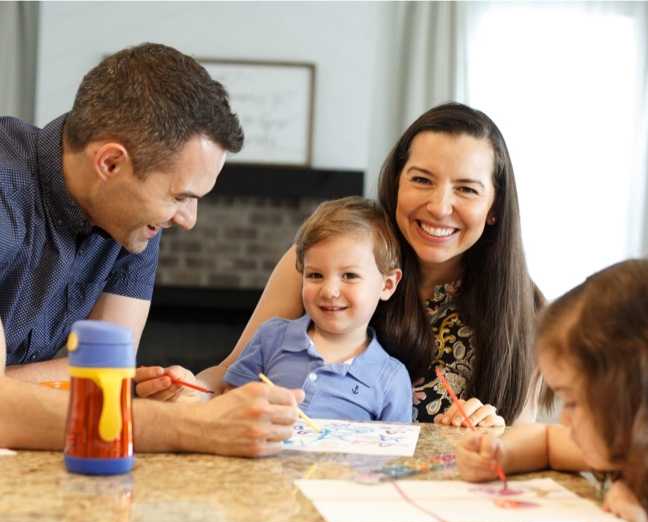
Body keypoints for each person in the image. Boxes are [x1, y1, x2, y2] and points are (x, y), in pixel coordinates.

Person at [138, 102, 540, 427]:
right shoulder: (322, 259)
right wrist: (191, 387)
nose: (439, 206)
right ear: (396, 182)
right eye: (421, 180)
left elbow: (523, 440)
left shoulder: (527, 309)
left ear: (494, 208)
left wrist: (494, 428)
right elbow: (230, 375)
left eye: (467, 189)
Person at [0, 42, 302, 456]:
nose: (188, 219)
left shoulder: (131, 218)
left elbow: (106, 369)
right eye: (180, 196)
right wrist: (188, 426)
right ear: (109, 163)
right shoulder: (5, 187)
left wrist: (15, 391)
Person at [454, 257, 648, 522]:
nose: (564, 419)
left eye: (573, 402)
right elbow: (547, 441)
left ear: (637, 403)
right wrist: (501, 455)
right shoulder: (634, 450)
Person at [221, 197, 412, 422]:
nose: (329, 291)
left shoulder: (391, 378)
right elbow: (230, 400)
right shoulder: (271, 337)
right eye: (315, 275)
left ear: (387, 285)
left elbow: (396, 453)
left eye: (349, 276)